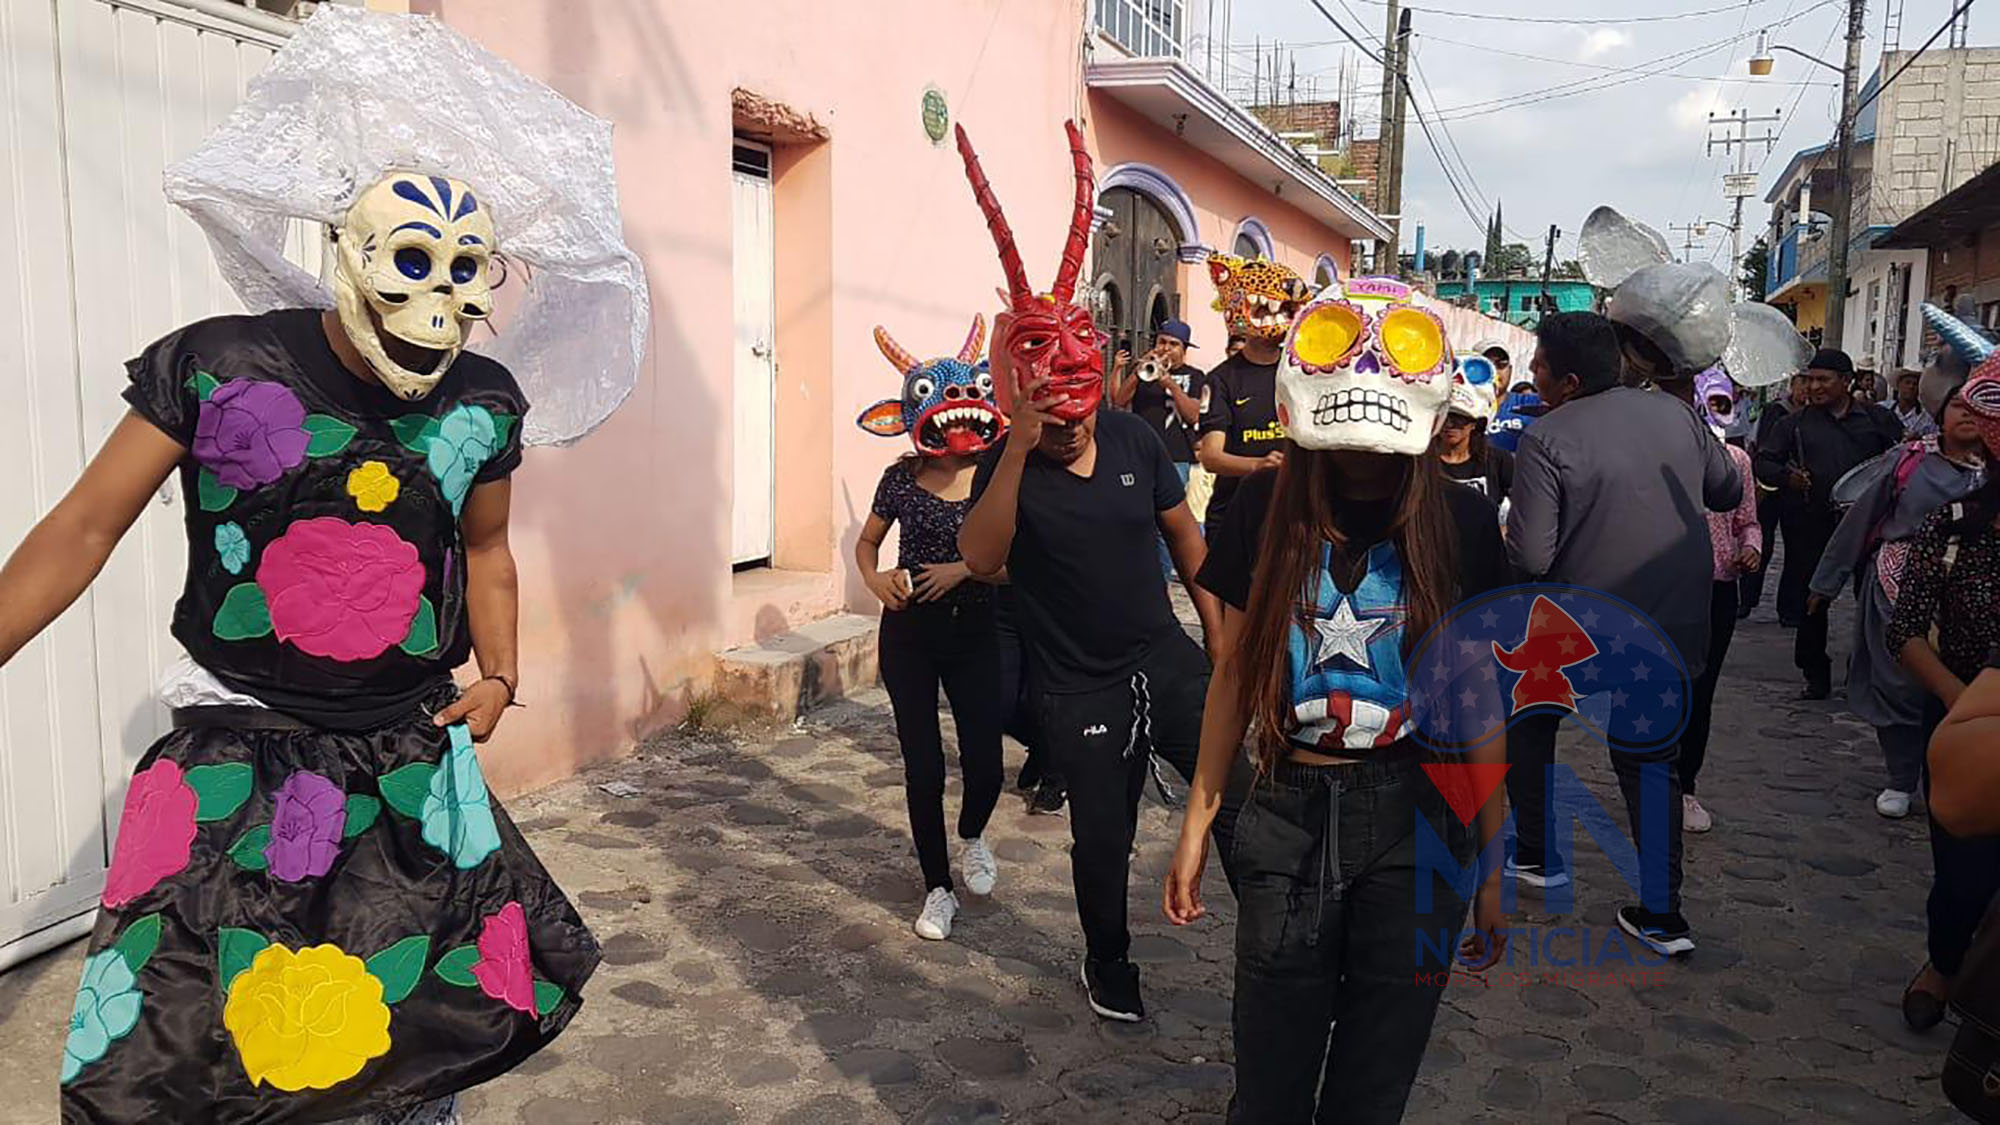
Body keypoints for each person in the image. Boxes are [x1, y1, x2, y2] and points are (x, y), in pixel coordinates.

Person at [20, 13, 645, 1118]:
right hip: (238, 748)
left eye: (467, 269)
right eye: (411, 259)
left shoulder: (481, 400)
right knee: (186, 1049)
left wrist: (498, 675)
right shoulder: (220, 367)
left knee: (414, 1047)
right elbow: (81, 529)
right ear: (348, 251)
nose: (439, 295)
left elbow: (486, 543)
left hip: (408, 757)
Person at [1164, 276, 1510, 1123]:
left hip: (1421, 818)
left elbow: (1479, 705)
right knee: (1272, 1077)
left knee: (1374, 1083)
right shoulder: (1264, 507)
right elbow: (1236, 674)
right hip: (1287, 809)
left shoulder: (1461, 524)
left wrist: (1495, 859)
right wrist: (1199, 822)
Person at [954, 118, 1236, 1023]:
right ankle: (1108, 959)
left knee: (1237, 784)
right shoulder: (1012, 462)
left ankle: (1272, 924)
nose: (1073, 427)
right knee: (1102, 835)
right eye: (1054, 415)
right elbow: (980, 558)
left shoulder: (1128, 435)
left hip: (1161, 650)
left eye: (1077, 413)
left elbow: (1187, 541)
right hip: (1076, 684)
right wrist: (1023, 442)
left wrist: (1220, 640)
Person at [1505, 311, 1743, 956]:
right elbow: (1725, 490)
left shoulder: (1547, 436)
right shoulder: (1680, 417)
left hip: (1575, 628)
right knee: (1649, 761)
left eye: (1540, 366)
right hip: (1671, 622)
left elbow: (1530, 555)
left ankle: (1534, 855)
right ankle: (1664, 916)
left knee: (1528, 722)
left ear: (1571, 379)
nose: (1532, 376)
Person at [854, 317, 1009, 941]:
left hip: (976, 632)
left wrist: (964, 569)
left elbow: (1017, 566)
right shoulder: (899, 479)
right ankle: (936, 886)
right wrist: (873, 582)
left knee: (987, 765)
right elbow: (868, 545)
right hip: (909, 634)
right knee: (922, 766)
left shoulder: (1000, 480)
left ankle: (973, 834)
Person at [1809, 367, 1985, 820]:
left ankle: (1956, 775)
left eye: (1977, 404)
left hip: (1974, 591)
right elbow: (1861, 519)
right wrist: (1825, 582)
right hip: (1899, 583)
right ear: (1940, 411)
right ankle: (1902, 778)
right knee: (1900, 686)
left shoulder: (1993, 470)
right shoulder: (1910, 461)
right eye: (1958, 405)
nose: (1968, 414)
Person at [1889, 464, 2000, 1032]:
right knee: (1965, 872)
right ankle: (1947, 962)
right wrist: (1969, 706)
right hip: (1966, 718)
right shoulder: (1955, 526)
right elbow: (1905, 631)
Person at [1754, 349, 1903, 699]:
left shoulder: (1876, 420)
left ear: (1846, 382)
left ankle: (1864, 671)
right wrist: (1788, 477)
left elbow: (1902, 455)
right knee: (1813, 598)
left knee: (1870, 597)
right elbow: (1764, 462)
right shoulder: (1794, 424)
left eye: (1824, 380)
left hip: (1870, 526)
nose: (1815, 387)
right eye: (1810, 379)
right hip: (1811, 522)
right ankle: (1814, 672)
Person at [1657, 369, 1762, 833]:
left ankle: (1685, 786)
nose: (1713, 412)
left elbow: (1748, 521)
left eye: (1723, 404)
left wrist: (1751, 548)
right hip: (1664, 585)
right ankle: (1649, 778)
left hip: (1718, 589)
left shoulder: (1737, 460)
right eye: (1707, 403)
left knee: (1701, 691)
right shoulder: (1660, 456)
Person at [1198, 255, 1310, 535]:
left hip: (1293, 517)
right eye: (1260, 310)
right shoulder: (1221, 379)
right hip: (1236, 518)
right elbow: (1211, 457)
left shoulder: (1302, 371)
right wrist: (1258, 465)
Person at [1113, 319, 1209, 580]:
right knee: (1138, 517)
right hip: (1140, 456)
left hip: (1176, 458)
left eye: (1173, 344)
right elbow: (1119, 400)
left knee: (1168, 523)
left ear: (1184, 349)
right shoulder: (1145, 372)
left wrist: (1170, 385)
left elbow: (1193, 416)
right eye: (1162, 342)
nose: (1166, 348)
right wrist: (1138, 371)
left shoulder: (1196, 377)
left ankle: (1162, 579)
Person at [1739, 372, 1807, 617]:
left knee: (1797, 550)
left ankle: (1788, 608)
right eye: (1803, 383)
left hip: (1797, 491)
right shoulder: (1775, 411)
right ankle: (1747, 599)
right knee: (1761, 543)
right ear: (1793, 386)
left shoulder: (1814, 417)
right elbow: (1763, 448)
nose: (1806, 390)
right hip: (1769, 485)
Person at [1433, 360, 1513, 504]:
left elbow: (1525, 504)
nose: (1450, 424)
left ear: (1476, 423)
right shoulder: (1420, 461)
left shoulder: (1497, 460)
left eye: (1460, 417)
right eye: (1445, 416)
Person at [1894, 369, 1940, 438]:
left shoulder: (1927, 416)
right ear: (1898, 385)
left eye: (1915, 384)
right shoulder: (1884, 408)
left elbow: (1935, 437)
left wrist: (1920, 438)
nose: (1911, 387)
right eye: (1907, 382)